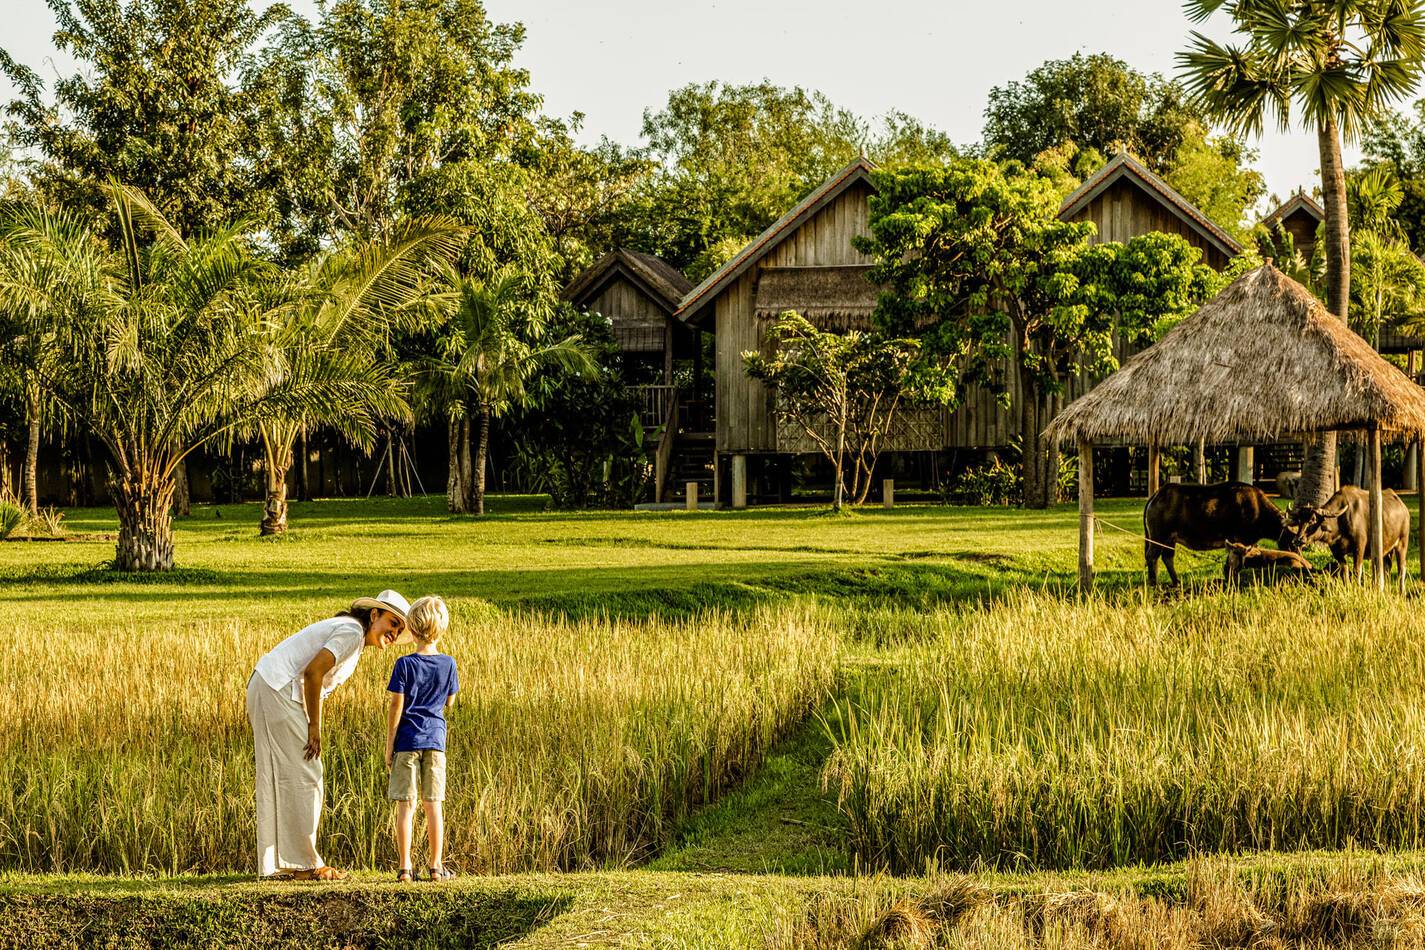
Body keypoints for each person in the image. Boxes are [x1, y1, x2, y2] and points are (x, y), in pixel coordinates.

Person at [247, 589, 411, 880]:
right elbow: (313, 673)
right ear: (375, 615)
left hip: (268, 684)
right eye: (392, 623)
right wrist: (314, 728)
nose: (395, 633)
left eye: (399, 628)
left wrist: (312, 720)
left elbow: (316, 680)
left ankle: (277, 865)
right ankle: (306, 864)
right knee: (308, 774)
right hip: (278, 689)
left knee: (280, 775)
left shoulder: (353, 637)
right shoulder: (350, 632)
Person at [385, 595, 459, 882]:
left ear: (411, 630)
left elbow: (396, 706)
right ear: (441, 629)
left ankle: (405, 867)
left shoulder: (403, 665)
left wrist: (389, 742)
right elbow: (450, 702)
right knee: (433, 804)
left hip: (406, 741)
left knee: (406, 804)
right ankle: (436, 866)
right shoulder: (449, 664)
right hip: (435, 740)